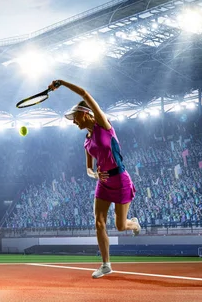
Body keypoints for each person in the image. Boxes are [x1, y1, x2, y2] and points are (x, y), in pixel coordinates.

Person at [49, 79, 141, 279]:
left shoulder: (104, 125)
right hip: (104, 183)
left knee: (120, 225)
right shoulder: (87, 142)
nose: (74, 122)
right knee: (99, 222)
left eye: (74, 118)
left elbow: (84, 93)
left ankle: (134, 224)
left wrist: (62, 83)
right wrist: (95, 175)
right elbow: (88, 169)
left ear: (84, 113)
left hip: (121, 179)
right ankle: (106, 264)